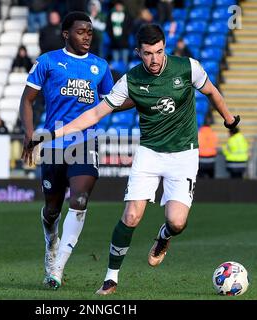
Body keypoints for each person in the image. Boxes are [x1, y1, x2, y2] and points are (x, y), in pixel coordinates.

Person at [45, 24, 240, 295]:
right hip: (149, 153)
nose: (155, 59)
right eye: (148, 54)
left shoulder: (188, 68)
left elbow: (212, 92)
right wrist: (58, 131)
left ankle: (164, 237)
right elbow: (95, 113)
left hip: (184, 154)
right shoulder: (130, 80)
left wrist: (229, 119)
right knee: (132, 215)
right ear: (138, 52)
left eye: (159, 52)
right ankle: (111, 277)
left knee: (177, 222)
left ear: (165, 48)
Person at [20, 11, 116, 290]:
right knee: (52, 210)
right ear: (66, 34)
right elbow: (27, 100)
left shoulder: (101, 66)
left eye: (89, 31)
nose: (87, 36)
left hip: (85, 143)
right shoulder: (48, 62)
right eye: (80, 31)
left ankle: (58, 266)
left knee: (80, 199)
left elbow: (113, 102)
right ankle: (51, 241)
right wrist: (29, 135)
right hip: (52, 145)